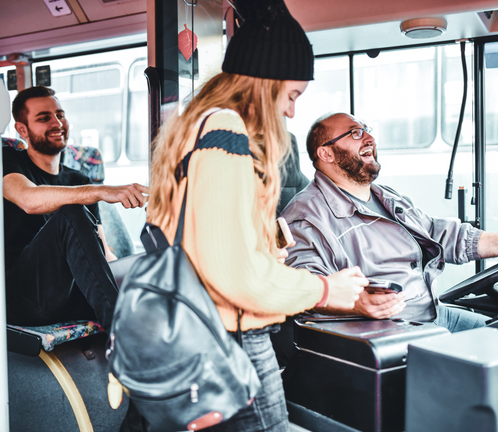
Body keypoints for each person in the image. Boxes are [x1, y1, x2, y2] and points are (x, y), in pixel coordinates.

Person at [135, 2, 366, 431]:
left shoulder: (197, 127)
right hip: (231, 340)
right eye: (292, 95)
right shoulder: (226, 133)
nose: (293, 112)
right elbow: (235, 274)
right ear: (265, 82)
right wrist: (324, 289)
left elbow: (209, 244)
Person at [280, 112, 498, 333]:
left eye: (367, 130)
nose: (370, 138)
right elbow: (303, 285)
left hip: (432, 315)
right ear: (326, 153)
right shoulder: (306, 218)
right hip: (386, 332)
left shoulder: (386, 196)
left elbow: (435, 233)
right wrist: (358, 302)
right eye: (355, 133)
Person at [0, 85, 148, 330]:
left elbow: (102, 253)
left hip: (68, 294)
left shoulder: (78, 181)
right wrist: (101, 191)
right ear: (22, 130)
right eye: (44, 118)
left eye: (60, 114)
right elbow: (27, 198)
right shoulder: (7, 161)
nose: (57, 123)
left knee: (149, 296)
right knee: (71, 211)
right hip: (20, 297)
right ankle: (122, 334)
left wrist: (139, 277)